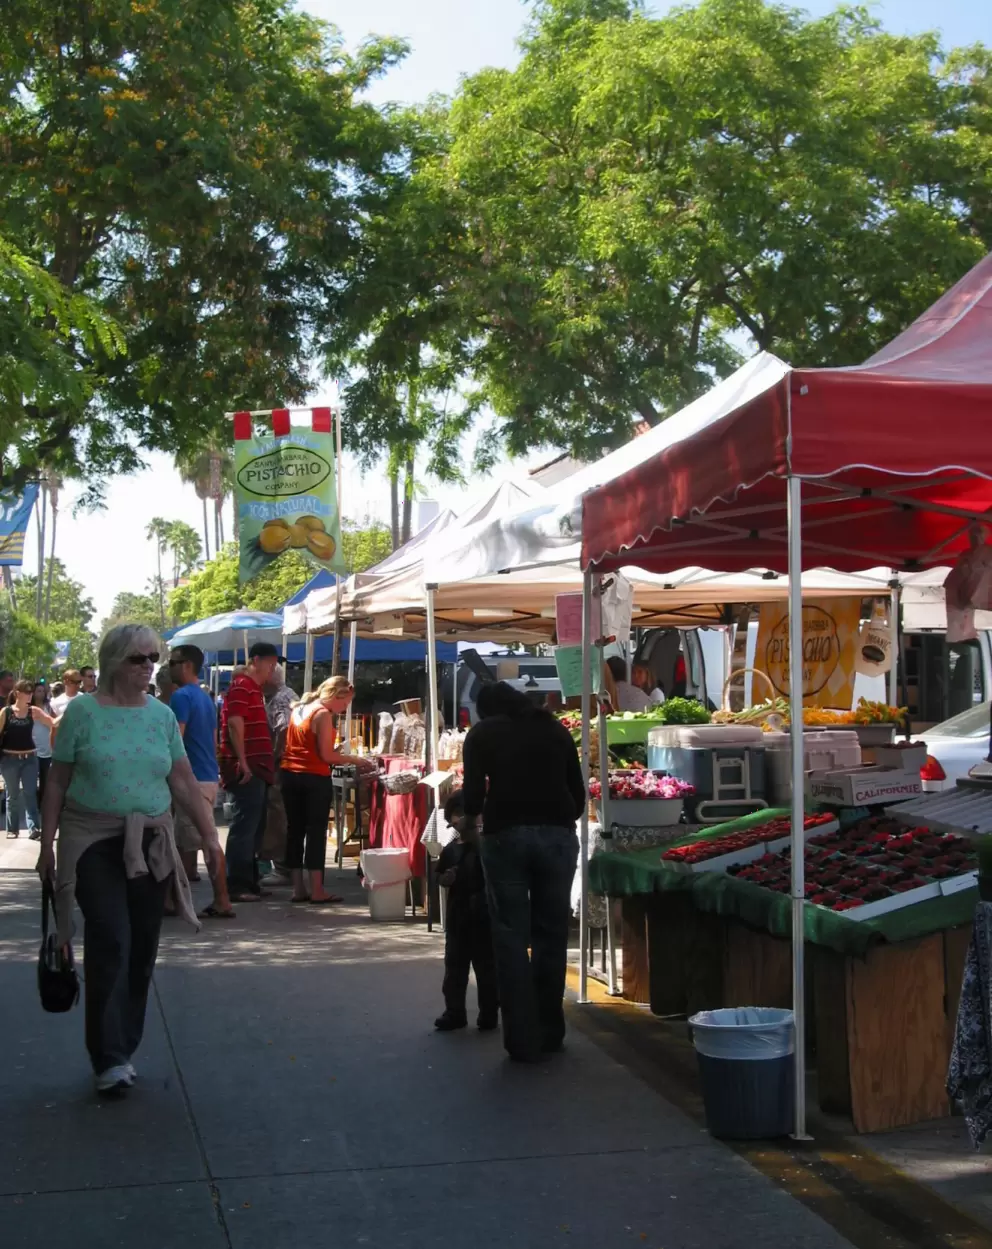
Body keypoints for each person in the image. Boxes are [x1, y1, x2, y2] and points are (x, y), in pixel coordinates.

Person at [36, 624, 223, 1095]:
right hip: (93, 838)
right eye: (139, 658)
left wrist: (210, 838)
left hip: (151, 840)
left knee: (142, 947)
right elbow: (57, 781)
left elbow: (182, 779)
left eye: (153, 658)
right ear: (114, 660)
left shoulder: (160, 716)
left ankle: (124, 1044)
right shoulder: (82, 712)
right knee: (111, 939)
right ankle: (109, 1056)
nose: (148, 667)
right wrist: (47, 845)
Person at [461, 682, 584, 1063]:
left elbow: (472, 796)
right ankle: (551, 1031)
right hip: (557, 836)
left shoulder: (482, 733)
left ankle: (521, 1039)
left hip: (505, 836)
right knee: (551, 933)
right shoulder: (555, 729)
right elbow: (577, 794)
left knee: (511, 936)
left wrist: (471, 829)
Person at [281, 675, 375, 904]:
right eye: (345, 703)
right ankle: (317, 889)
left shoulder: (300, 709)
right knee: (315, 832)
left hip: (289, 775)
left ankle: (298, 888)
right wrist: (353, 759)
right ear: (336, 696)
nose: (344, 708)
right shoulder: (322, 715)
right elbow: (326, 755)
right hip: (313, 777)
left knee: (295, 830)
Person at [168, 644, 235, 919]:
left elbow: (175, 740)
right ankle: (181, 898)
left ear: (186, 665)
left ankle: (214, 899)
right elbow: (211, 737)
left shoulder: (182, 696)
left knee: (198, 841)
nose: (168, 667)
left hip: (191, 776)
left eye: (172, 662)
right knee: (195, 839)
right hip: (206, 774)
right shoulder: (205, 697)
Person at [435, 788, 498, 1033]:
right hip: (458, 918)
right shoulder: (450, 849)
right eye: (458, 814)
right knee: (455, 969)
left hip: (484, 919)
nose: (464, 819)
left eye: (469, 813)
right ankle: (454, 1012)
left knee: (487, 971)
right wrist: (446, 878)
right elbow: (439, 875)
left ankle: (489, 1013)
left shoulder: (488, 847)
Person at [219, 642, 279, 901]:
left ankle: (250, 881)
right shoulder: (242, 686)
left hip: (258, 767)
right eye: (269, 662)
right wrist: (242, 761)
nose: (273, 668)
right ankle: (237, 885)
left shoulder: (253, 688)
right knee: (244, 826)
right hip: (248, 767)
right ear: (255, 660)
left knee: (255, 827)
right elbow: (234, 723)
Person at [1, 680, 53, 839]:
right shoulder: (6, 712)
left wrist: (68, 715)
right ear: (17, 693)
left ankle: (34, 828)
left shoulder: (33, 711)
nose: (30, 694)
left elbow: (52, 722)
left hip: (30, 758)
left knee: (30, 793)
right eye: (27, 691)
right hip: (9, 759)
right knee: (13, 794)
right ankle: (13, 828)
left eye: (32, 692)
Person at [260, 664, 296, 885]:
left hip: (282, 766)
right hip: (283, 765)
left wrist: (274, 756)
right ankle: (283, 866)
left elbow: (283, 728)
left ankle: (283, 868)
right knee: (279, 816)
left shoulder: (281, 698)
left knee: (279, 816)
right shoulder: (281, 696)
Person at [31, 682, 55, 834]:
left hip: (46, 750)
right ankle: (33, 809)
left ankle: (43, 807)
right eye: (37, 691)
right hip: (32, 749)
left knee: (46, 781)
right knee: (32, 782)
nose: (40, 693)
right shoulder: (29, 709)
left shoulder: (47, 707)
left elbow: (54, 722)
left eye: (42, 691)